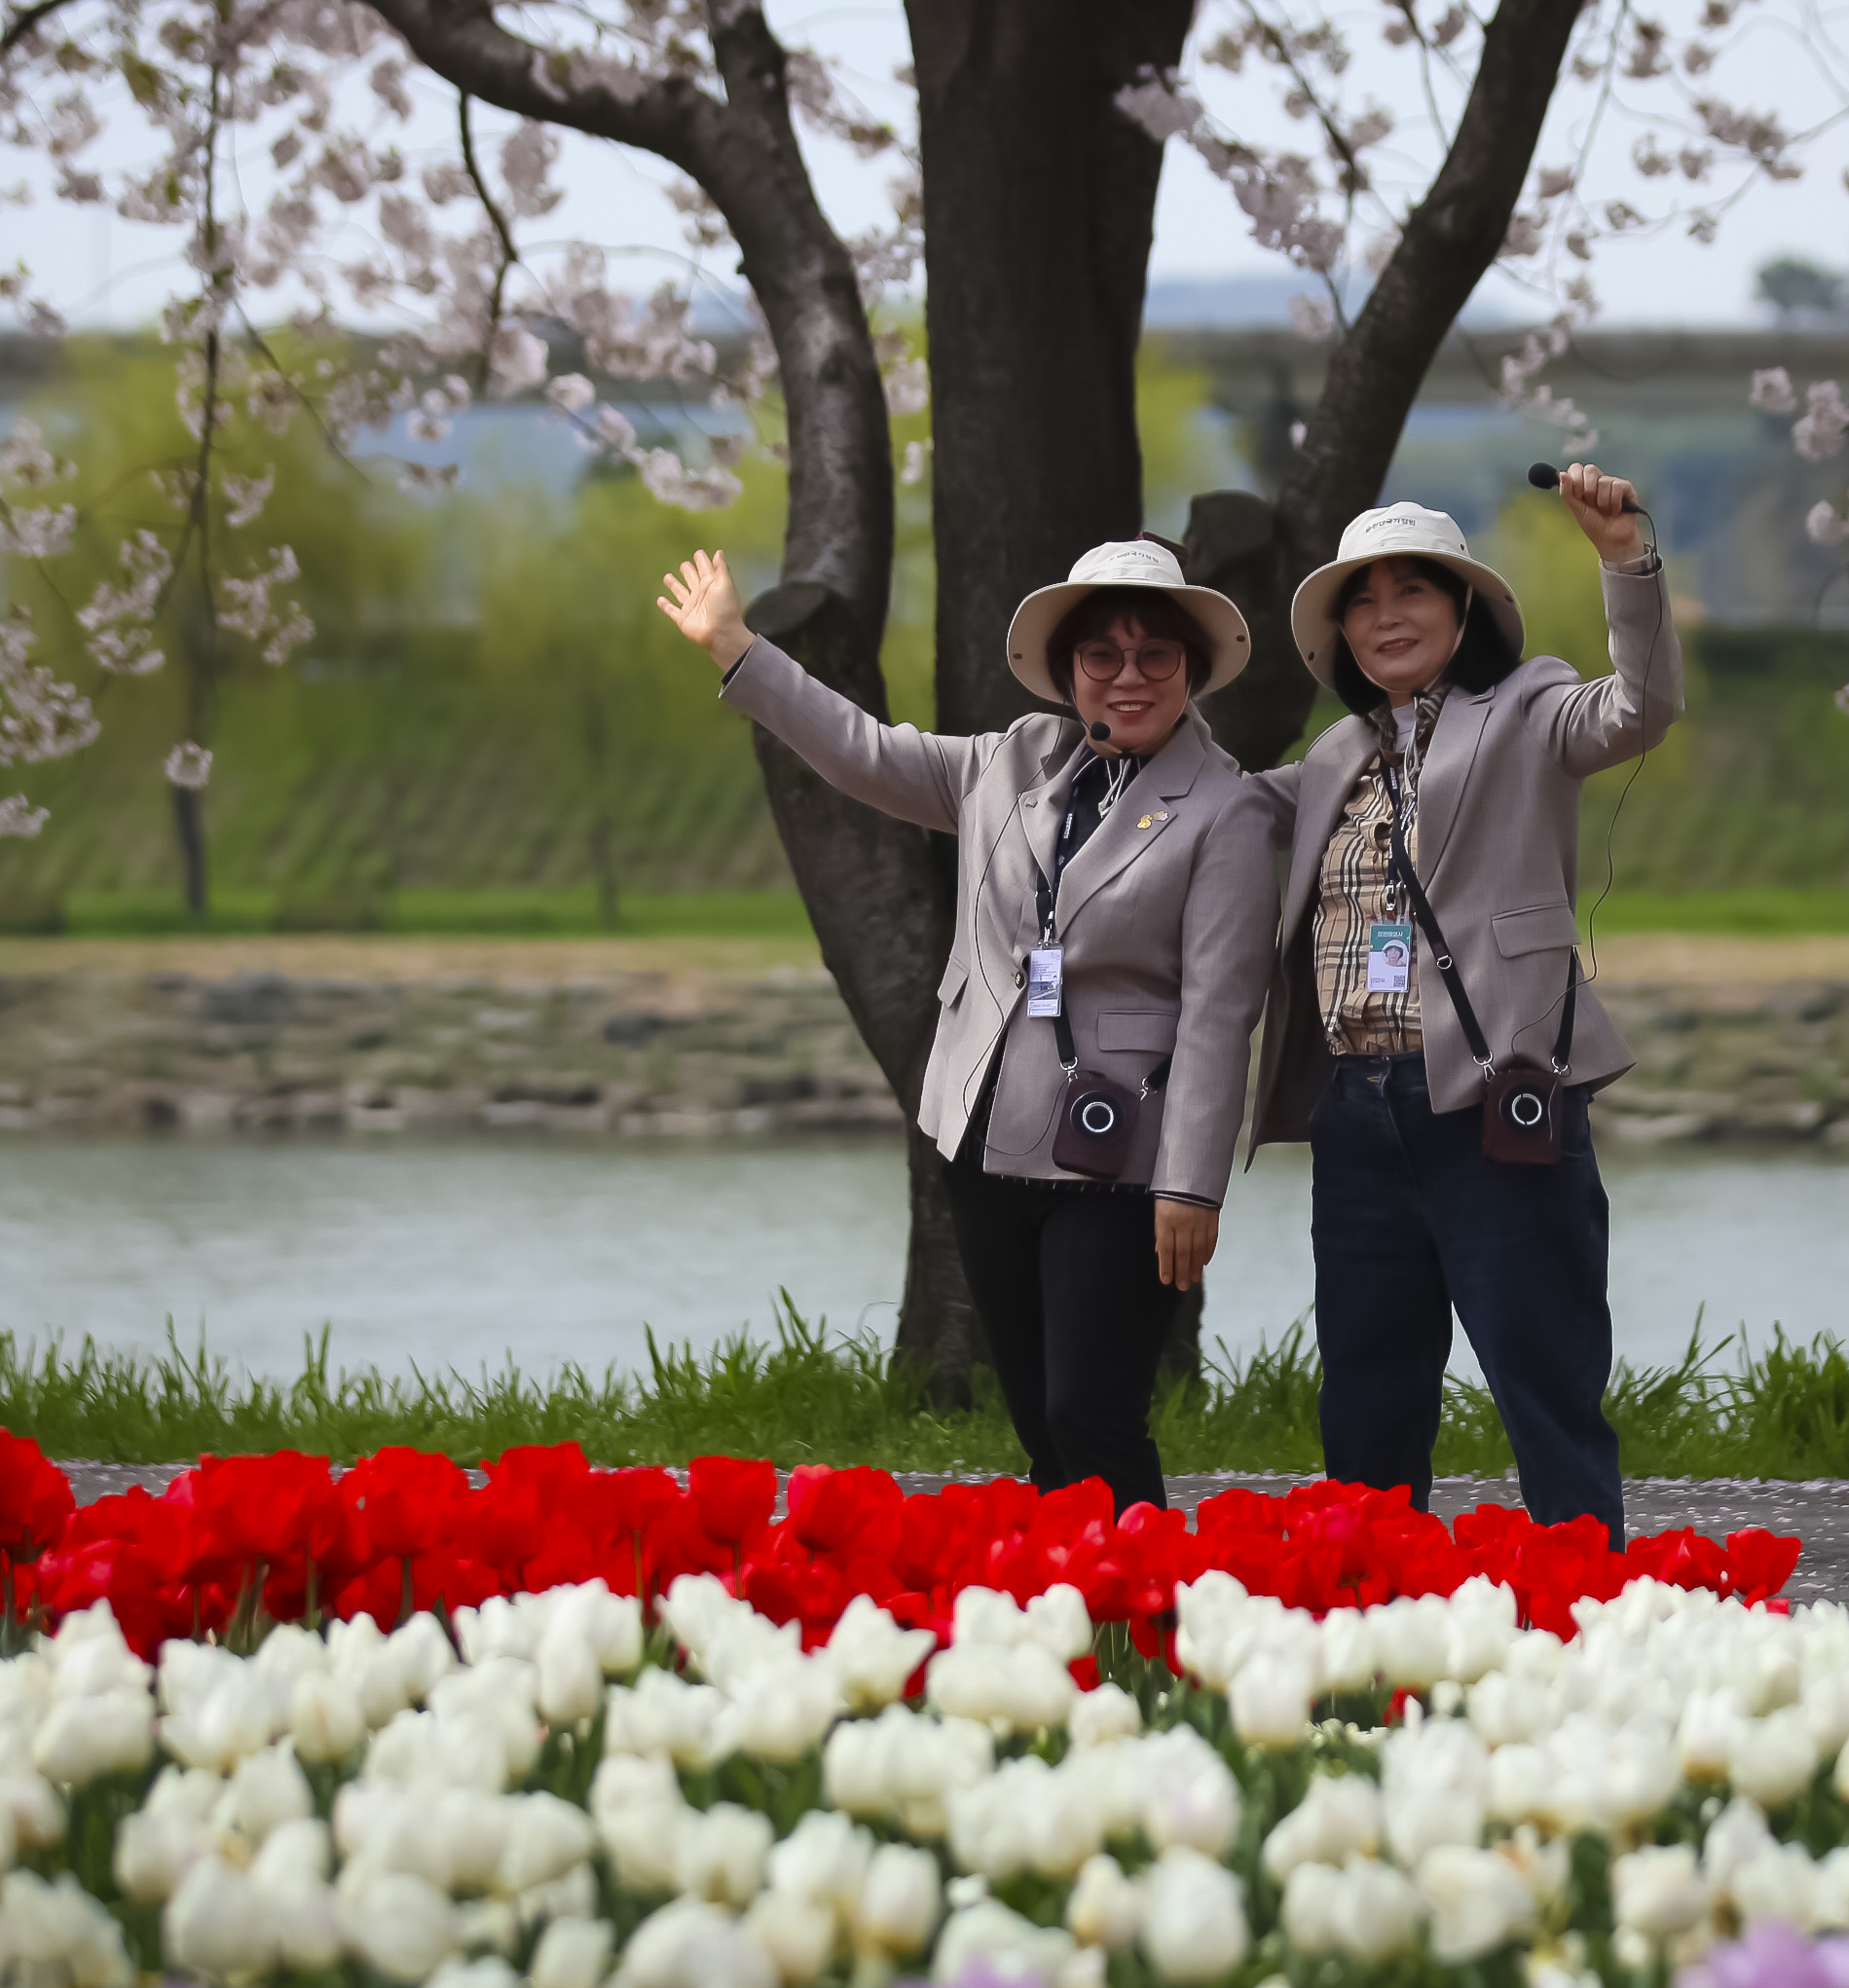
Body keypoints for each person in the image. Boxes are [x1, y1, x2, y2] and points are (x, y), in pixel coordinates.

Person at [654, 535, 1272, 1512]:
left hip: (1121, 1153)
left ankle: (1153, 1617)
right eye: (1100, 654)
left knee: (1091, 1412)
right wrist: (739, 648)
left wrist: (1192, 1186)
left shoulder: (1224, 808)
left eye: (1155, 653)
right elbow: (862, 751)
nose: (1127, 676)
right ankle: (1068, 1615)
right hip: (986, 1135)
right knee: (1036, 1417)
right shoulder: (1008, 762)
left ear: (1190, 667)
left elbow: (1219, 1009)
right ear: (1069, 667)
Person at [1246, 472, 1681, 1536]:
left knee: (1544, 1381)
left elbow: (1641, 706)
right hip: (1357, 1112)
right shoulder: (1334, 757)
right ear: (1339, 629)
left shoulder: (1528, 708)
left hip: (1492, 1098)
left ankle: (1583, 1627)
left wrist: (1624, 558)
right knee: (1367, 1399)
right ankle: (1371, 1638)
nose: (1385, 615)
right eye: (1361, 598)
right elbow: (1209, 816)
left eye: (1414, 590)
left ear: (1464, 609)